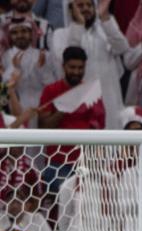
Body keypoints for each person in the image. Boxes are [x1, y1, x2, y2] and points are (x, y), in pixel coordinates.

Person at [51, 0, 129, 129]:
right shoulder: (60, 35)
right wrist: (78, 25)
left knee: (113, 144)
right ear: (70, 9)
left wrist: (106, 19)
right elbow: (69, 61)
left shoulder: (104, 31)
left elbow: (122, 47)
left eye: (89, 5)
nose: (86, 9)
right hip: (81, 105)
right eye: (80, 5)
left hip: (110, 101)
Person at [38, 46, 105, 193]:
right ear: (63, 66)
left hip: (85, 163)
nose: (76, 72)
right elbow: (43, 128)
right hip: (57, 162)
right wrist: (64, 107)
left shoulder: (91, 90)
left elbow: (99, 128)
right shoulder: (50, 91)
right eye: (72, 67)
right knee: (62, 205)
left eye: (80, 68)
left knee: (86, 207)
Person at [1, 17, 59, 114]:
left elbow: (51, 86)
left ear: (31, 34)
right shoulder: (5, 56)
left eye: (24, 31)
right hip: (15, 108)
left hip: (41, 107)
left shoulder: (44, 55)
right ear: (10, 36)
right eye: (15, 33)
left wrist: (41, 69)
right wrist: (15, 69)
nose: (20, 35)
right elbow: (5, 88)